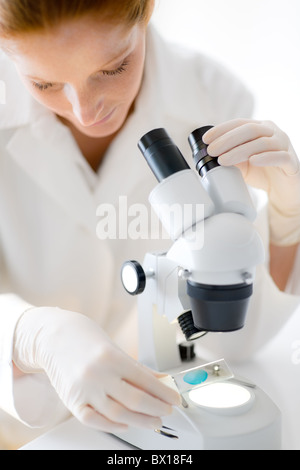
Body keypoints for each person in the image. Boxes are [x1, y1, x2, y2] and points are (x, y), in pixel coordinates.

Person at [0, 0, 299, 438]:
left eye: (114, 68)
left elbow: (237, 336)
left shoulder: (213, 95)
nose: (86, 112)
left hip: (168, 401)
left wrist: (289, 218)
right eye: (44, 83)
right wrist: (30, 336)